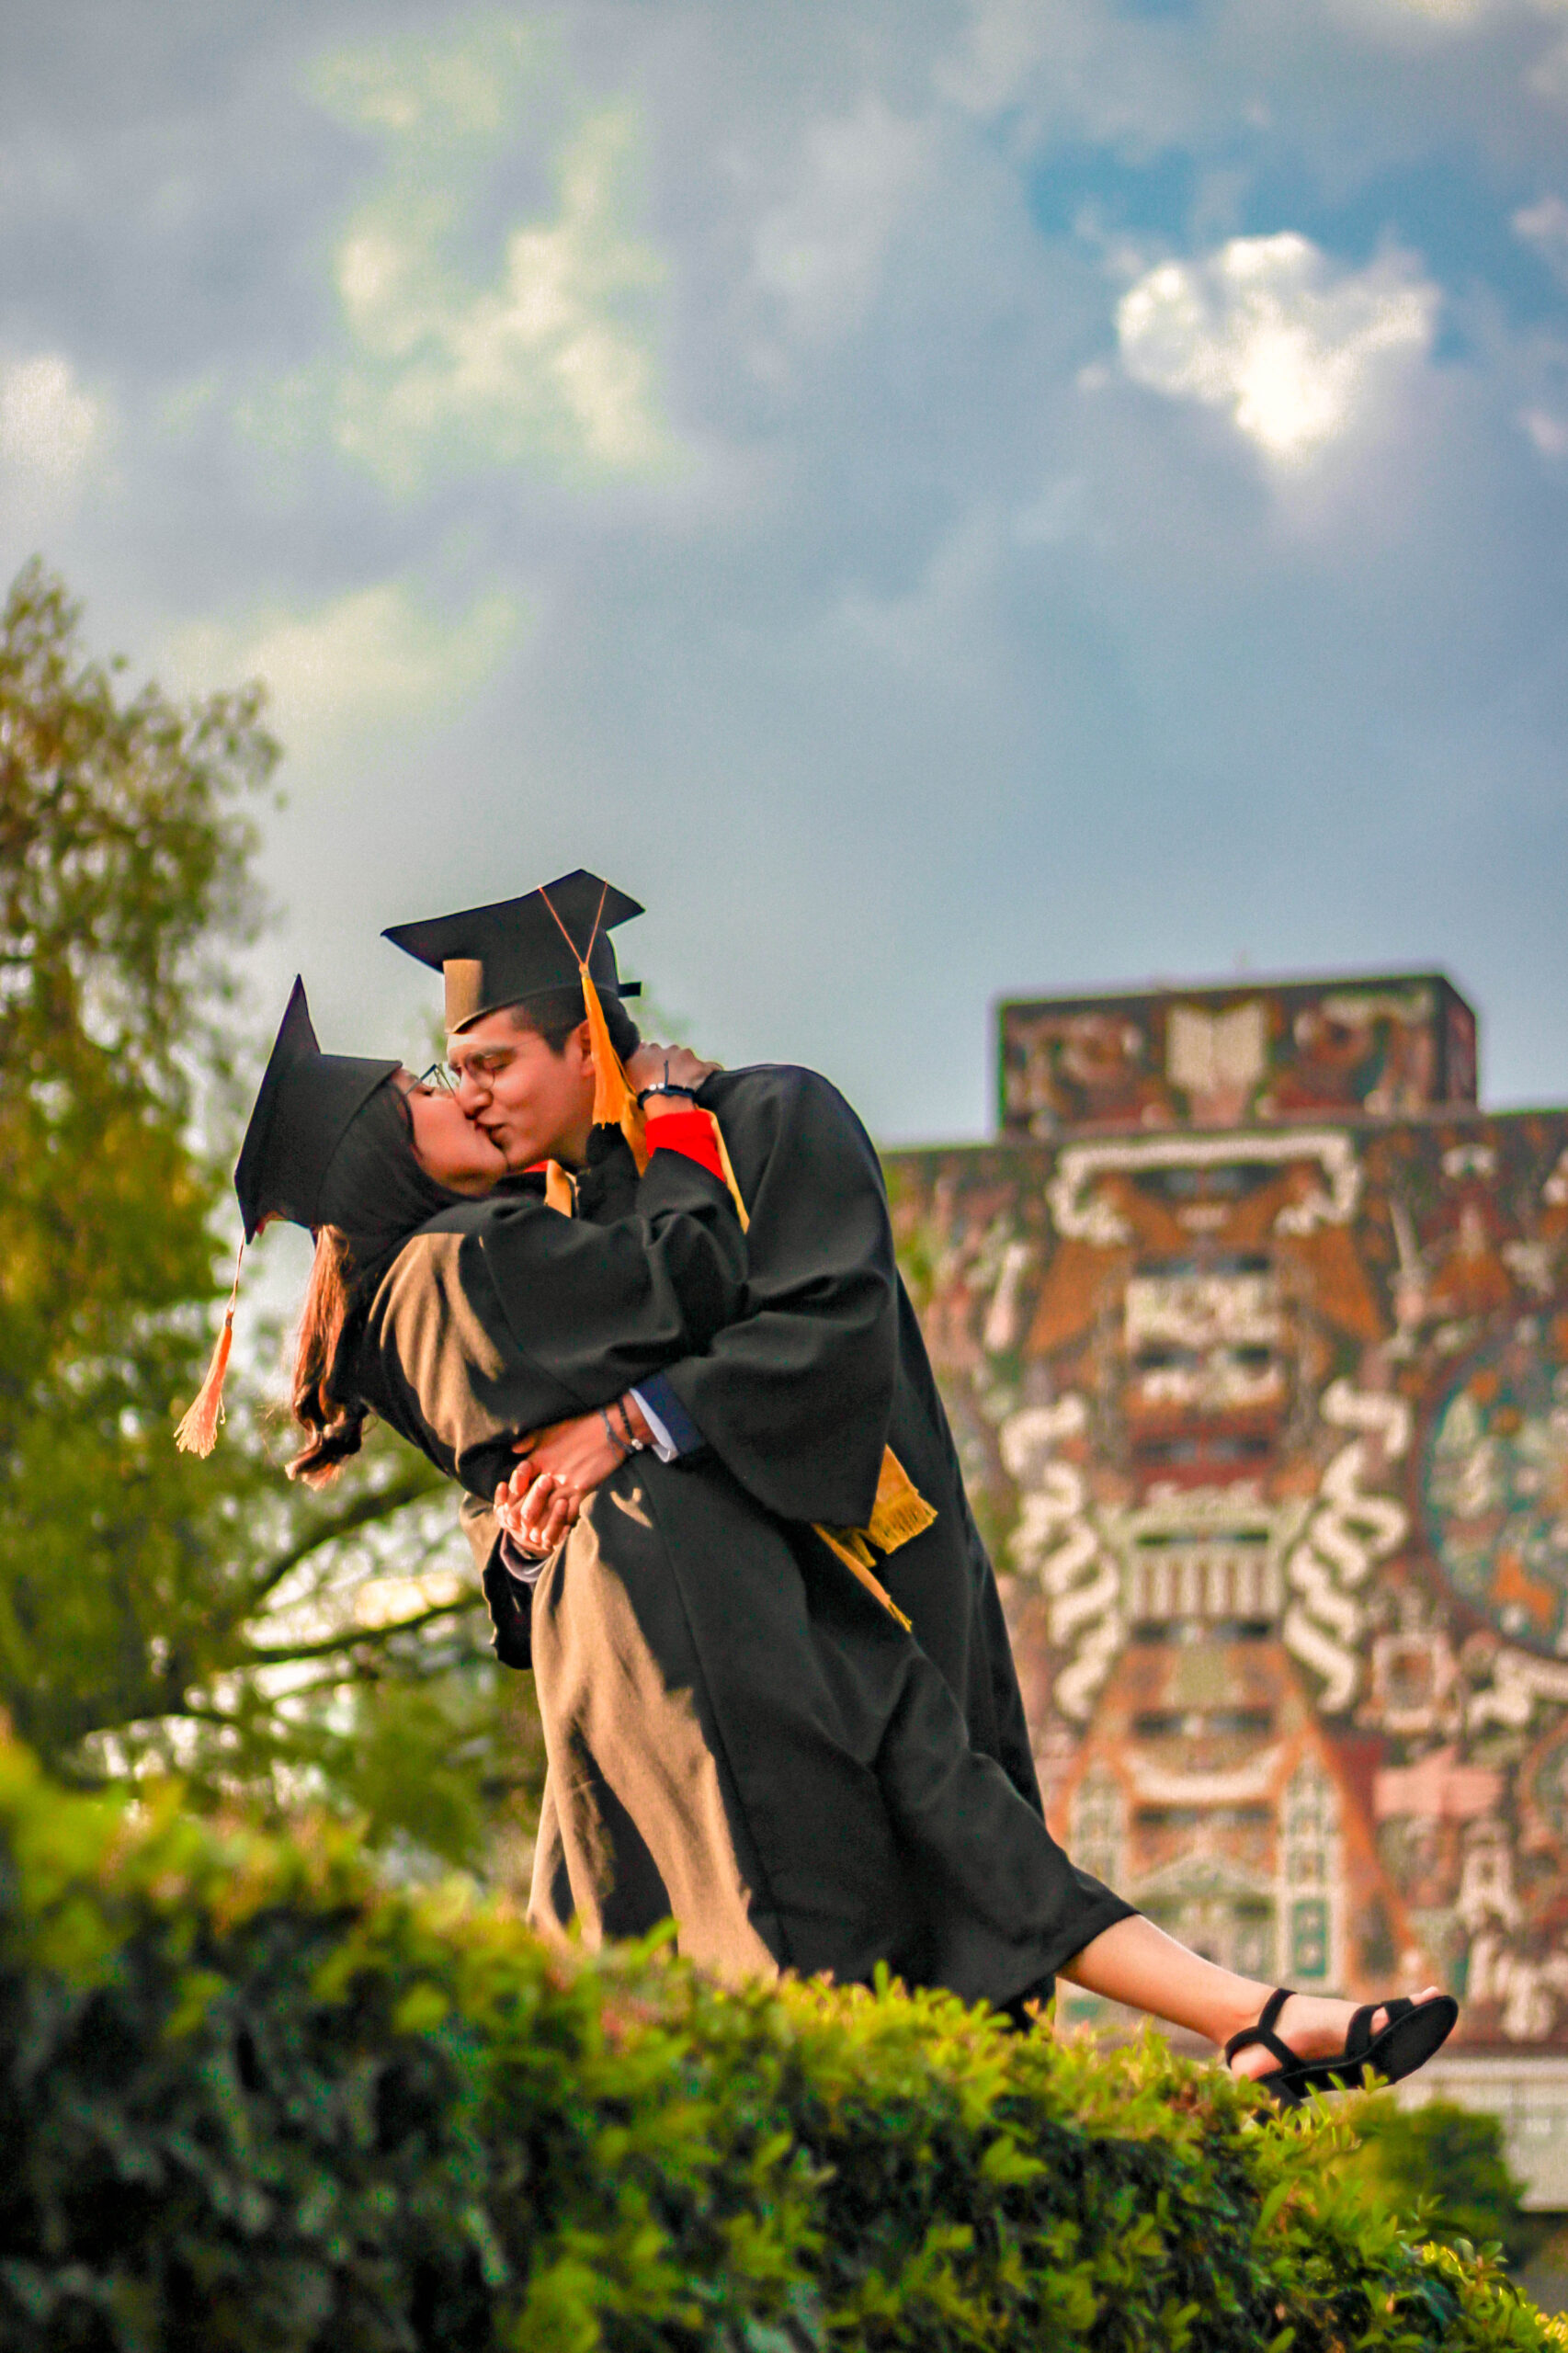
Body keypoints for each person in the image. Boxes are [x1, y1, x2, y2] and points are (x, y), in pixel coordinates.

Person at [373, 870, 1460, 2101]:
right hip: (687, 1643)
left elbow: (829, 1331)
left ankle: (1214, 2039)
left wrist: (632, 1419)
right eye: (452, 1073)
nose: (472, 1093)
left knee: (934, 1874)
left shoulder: (766, 1120)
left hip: (863, 1571)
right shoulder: (536, 1231)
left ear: (584, 1038)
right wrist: (520, 1543)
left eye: (492, 1063)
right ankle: (1252, 2020)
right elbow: (511, 1467)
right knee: (796, 1894)